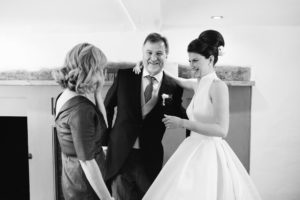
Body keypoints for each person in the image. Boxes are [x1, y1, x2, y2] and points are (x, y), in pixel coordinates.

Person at [141, 30, 262, 200]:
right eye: (190, 61)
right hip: (192, 147)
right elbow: (177, 80)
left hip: (210, 152)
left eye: (196, 60)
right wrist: (149, 66)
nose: (192, 65)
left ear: (211, 59)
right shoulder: (198, 84)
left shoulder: (218, 86)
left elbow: (222, 130)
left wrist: (183, 123)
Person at [103, 32, 187, 200]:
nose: (153, 58)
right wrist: (105, 142)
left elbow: (183, 114)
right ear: (142, 54)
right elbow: (107, 107)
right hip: (121, 157)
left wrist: (192, 140)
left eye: (159, 53)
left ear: (166, 55)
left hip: (150, 159)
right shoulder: (125, 76)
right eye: (149, 53)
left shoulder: (174, 88)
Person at [52, 43, 114, 200]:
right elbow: (87, 162)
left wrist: (98, 93)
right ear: (89, 70)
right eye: (100, 69)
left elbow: (103, 126)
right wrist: (108, 199)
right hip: (86, 187)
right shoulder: (80, 109)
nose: (102, 75)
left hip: (72, 179)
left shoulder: (65, 96)